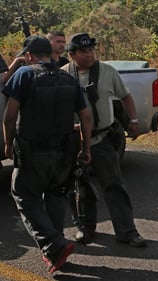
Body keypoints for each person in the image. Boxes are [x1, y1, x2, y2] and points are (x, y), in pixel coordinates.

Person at [2, 35, 92, 273]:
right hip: (63, 153)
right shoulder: (68, 77)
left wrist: (8, 144)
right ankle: (57, 247)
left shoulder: (24, 74)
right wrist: (86, 148)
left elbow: (10, 115)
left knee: (23, 194)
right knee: (55, 194)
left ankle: (53, 243)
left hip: (33, 152)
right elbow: (85, 116)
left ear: (29, 56)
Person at [61, 32, 146, 247]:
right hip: (75, 141)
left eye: (91, 50)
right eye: (83, 51)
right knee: (79, 188)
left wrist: (133, 121)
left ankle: (127, 231)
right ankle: (85, 229)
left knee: (114, 186)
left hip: (102, 139)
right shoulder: (63, 75)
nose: (89, 54)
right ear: (72, 54)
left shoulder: (108, 71)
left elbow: (125, 96)